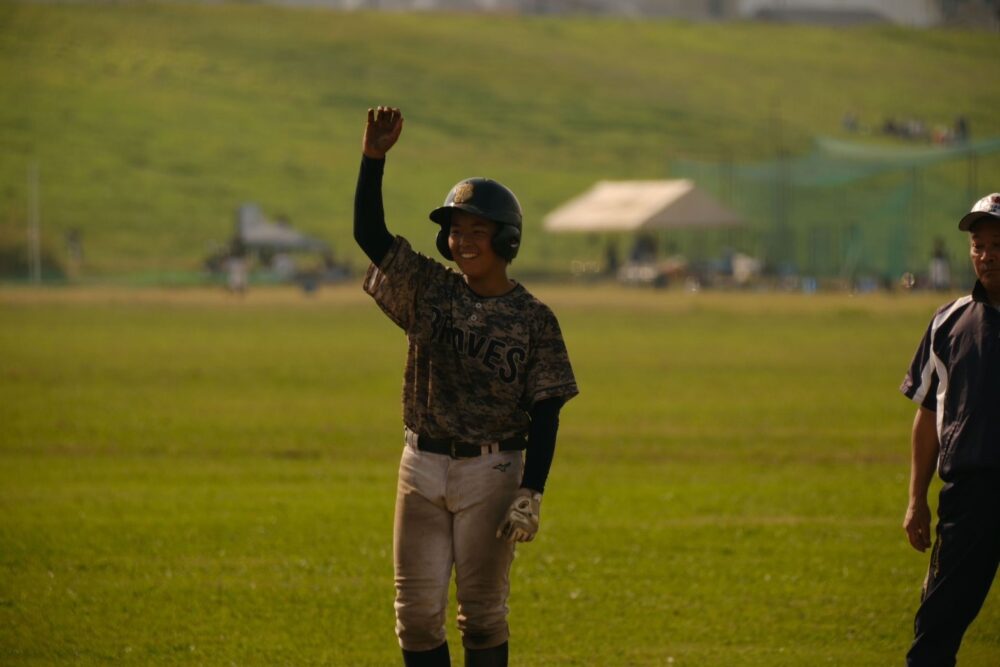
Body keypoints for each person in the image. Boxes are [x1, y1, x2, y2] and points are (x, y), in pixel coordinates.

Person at [353, 106, 578, 667]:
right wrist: (373, 159)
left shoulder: (533, 318)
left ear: (506, 240)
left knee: (481, 614)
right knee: (416, 615)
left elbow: (546, 410)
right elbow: (368, 234)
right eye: (456, 231)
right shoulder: (430, 289)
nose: (464, 241)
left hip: (493, 470)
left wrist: (533, 490)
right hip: (421, 463)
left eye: (478, 231)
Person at [900, 192, 1000, 667]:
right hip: (969, 499)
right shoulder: (950, 322)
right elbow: (926, 413)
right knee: (935, 632)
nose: (987, 255)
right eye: (978, 245)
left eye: (998, 244)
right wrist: (916, 499)